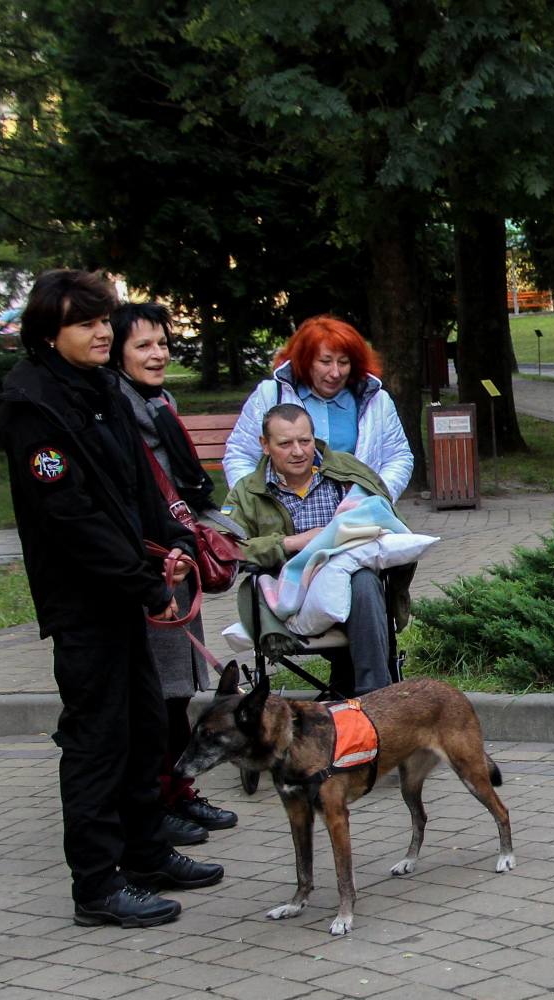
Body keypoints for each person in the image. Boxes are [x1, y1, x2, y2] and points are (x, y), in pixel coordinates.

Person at [0, 270, 224, 928]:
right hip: (84, 603)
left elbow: (138, 487)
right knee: (97, 740)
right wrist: (144, 584)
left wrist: (174, 542)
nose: (104, 332)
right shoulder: (32, 403)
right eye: (86, 322)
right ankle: (96, 885)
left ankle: (147, 852)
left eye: (106, 320)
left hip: (127, 589)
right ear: (48, 332)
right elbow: (71, 519)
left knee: (145, 725)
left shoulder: (101, 387)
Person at [108, 302, 237, 841]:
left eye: (162, 343)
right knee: (158, 692)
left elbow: (184, 486)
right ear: (116, 353)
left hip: (178, 555)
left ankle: (177, 791)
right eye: (143, 345)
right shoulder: (115, 409)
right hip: (148, 563)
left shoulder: (160, 402)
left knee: (180, 687)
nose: (157, 353)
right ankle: (158, 798)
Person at [224, 403, 400, 697]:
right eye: (285, 443)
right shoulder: (247, 491)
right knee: (362, 584)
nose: (298, 451)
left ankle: (374, 698)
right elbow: (225, 546)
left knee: (366, 580)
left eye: (305, 441)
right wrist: (290, 543)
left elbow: (390, 520)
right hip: (288, 593)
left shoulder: (346, 473)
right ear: (264, 445)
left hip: (351, 585)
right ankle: (358, 693)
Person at [224, 316, 414, 501]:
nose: (335, 372)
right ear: (305, 361)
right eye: (325, 362)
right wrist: (259, 504)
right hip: (283, 521)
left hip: (358, 517)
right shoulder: (271, 394)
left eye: (343, 362)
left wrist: (373, 499)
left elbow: (398, 458)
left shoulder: (377, 400)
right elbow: (240, 455)